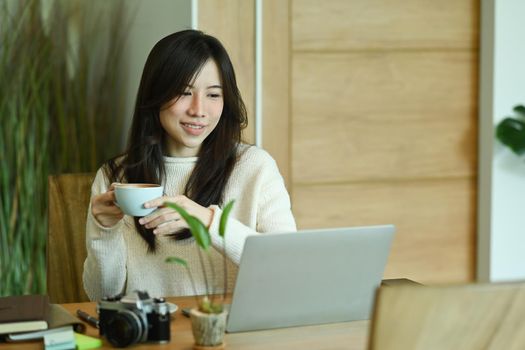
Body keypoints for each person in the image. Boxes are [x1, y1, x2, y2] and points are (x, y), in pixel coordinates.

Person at [82, 30, 296, 301]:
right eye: (184, 92)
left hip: (232, 337)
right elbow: (101, 296)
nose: (199, 110)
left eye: (213, 95)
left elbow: (288, 268)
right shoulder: (117, 177)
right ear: (156, 95)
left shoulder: (255, 168)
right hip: (152, 338)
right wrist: (103, 230)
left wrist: (208, 222)